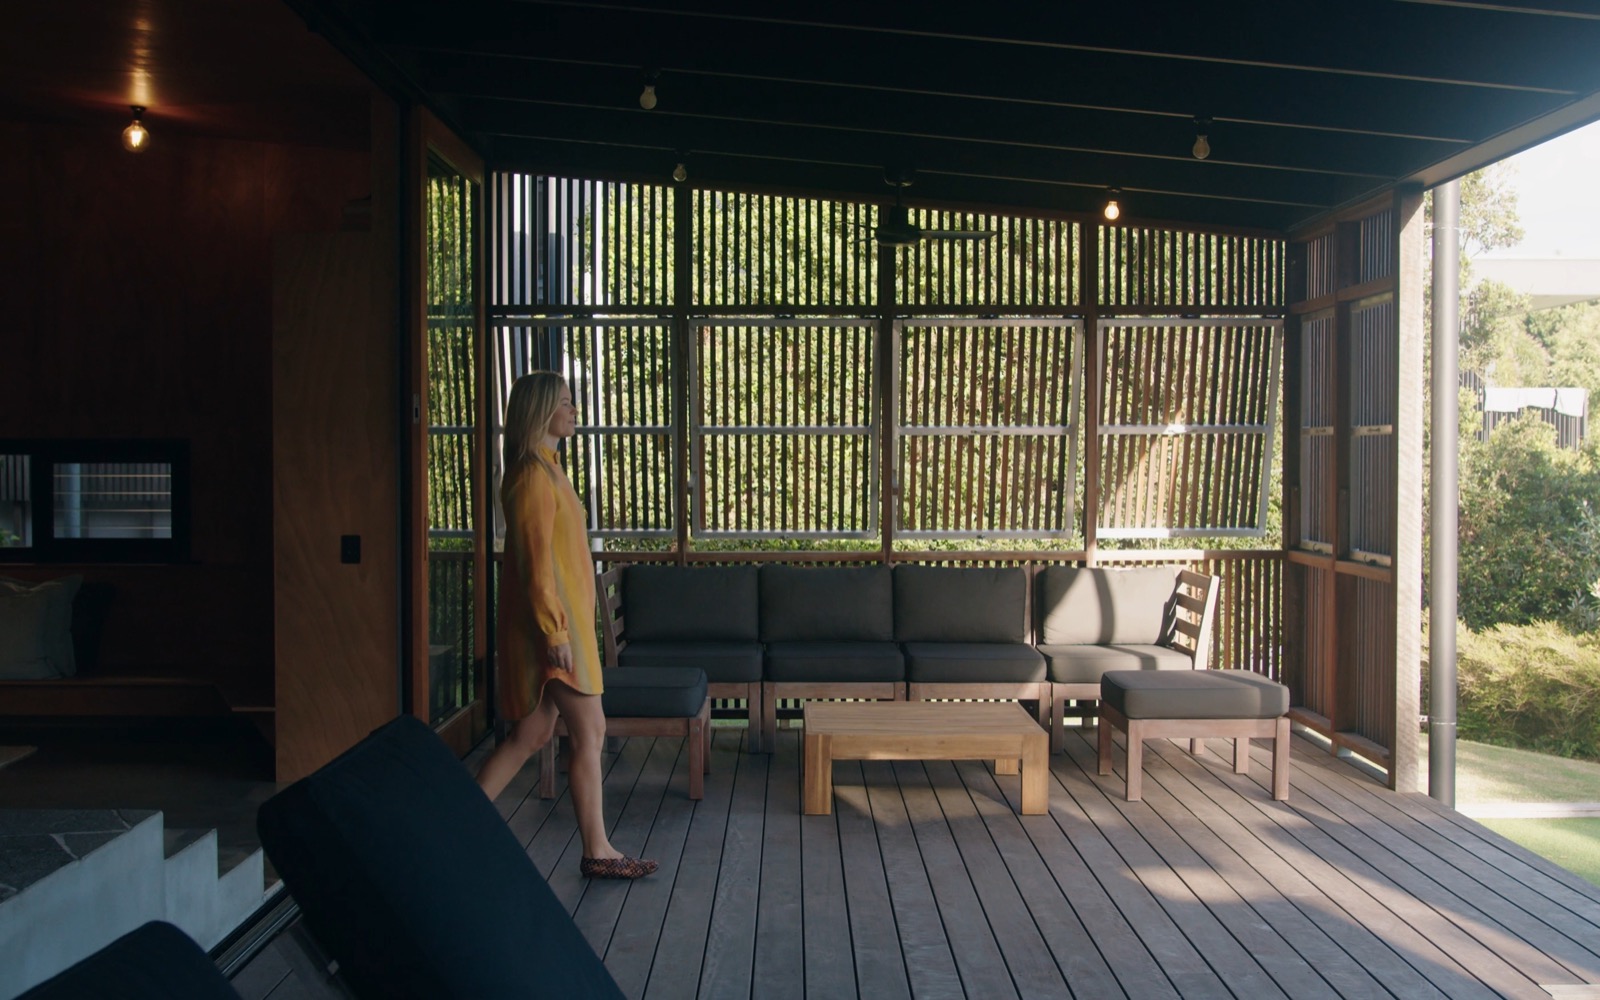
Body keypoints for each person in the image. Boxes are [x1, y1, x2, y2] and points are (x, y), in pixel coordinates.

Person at [475, 370, 657, 879]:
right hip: (554, 629)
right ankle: (597, 850)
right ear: (540, 411)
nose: (574, 410)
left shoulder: (548, 470)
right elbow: (536, 565)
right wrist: (555, 633)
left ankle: (452, 824)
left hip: (562, 624)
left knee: (531, 735)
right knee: (590, 729)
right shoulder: (532, 476)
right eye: (565, 402)